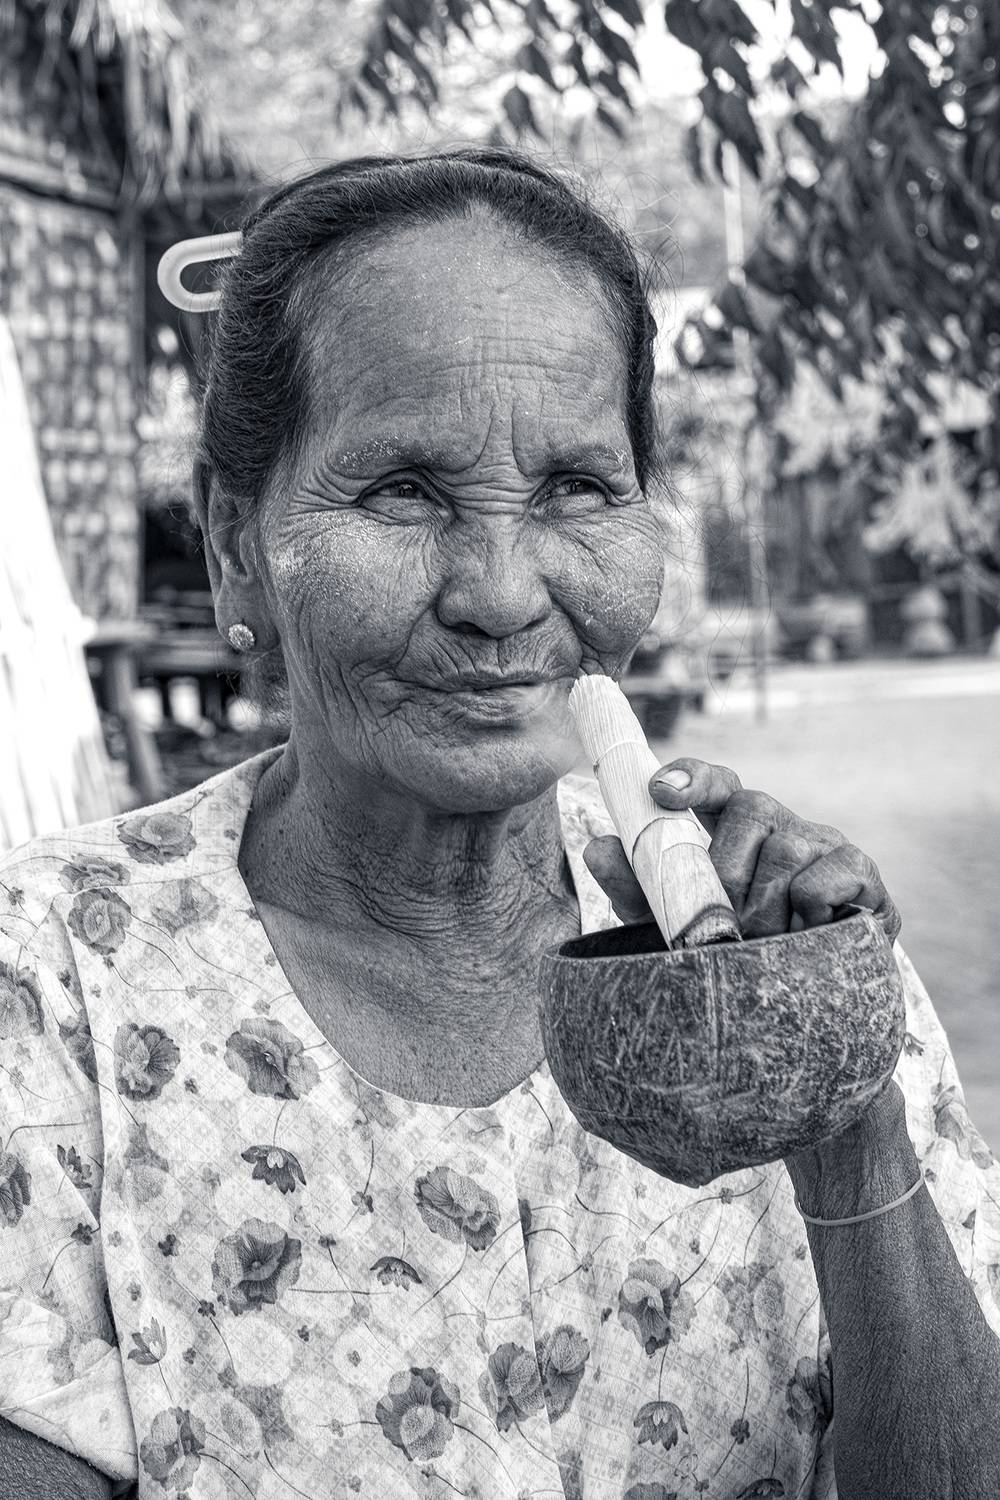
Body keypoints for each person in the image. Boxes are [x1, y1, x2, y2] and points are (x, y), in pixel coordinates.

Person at [0, 150, 997, 1500]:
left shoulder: (795, 955)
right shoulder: (51, 985)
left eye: (578, 487)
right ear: (238, 547)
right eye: (402, 491)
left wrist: (840, 1108)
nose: (500, 594)